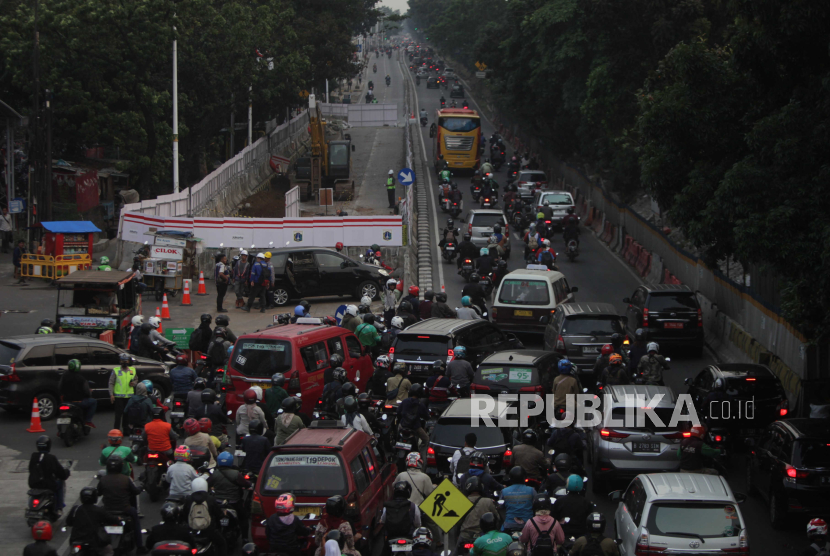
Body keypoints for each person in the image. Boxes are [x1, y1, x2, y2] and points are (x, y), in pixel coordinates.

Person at [98, 454, 145, 552]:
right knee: (136, 520)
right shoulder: (126, 479)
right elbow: (135, 491)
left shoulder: (103, 480)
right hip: (125, 509)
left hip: (107, 510)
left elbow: (98, 493)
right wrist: (140, 488)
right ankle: (140, 547)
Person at [208, 451, 252, 539]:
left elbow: (207, 484)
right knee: (243, 518)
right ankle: (245, 539)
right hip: (234, 502)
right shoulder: (236, 474)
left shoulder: (215, 474)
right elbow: (246, 484)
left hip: (218, 503)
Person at [66, 488, 120, 556]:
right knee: (109, 552)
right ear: (95, 498)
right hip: (94, 542)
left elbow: (68, 522)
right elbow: (111, 519)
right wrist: (118, 519)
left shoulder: (76, 509)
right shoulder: (99, 510)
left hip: (76, 540)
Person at [28, 436, 70, 515]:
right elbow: (61, 474)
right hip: (48, 485)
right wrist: (66, 472)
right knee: (60, 483)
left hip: (33, 484)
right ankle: (59, 507)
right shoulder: (51, 458)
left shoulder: (33, 456)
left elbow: (30, 469)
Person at [183, 477, 226, 553]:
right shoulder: (210, 499)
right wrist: (223, 514)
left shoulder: (189, 499)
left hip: (192, 531)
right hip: (209, 531)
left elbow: (184, 515)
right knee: (222, 544)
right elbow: (218, 514)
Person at [458, 477, 501, 547]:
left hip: (465, 535)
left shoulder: (462, 501)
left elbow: (457, 522)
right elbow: (497, 518)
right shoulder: (488, 501)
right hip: (483, 536)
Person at [552, 475, 595, 540]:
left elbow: (554, 518)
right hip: (582, 534)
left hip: (563, 533)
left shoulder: (560, 501)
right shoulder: (587, 502)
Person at [59, 358, 97, 427]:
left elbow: (59, 387)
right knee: (93, 402)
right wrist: (89, 392)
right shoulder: (81, 378)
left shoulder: (64, 376)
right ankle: (88, 421)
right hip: (78, 402)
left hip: (66, 401)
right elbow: (87, 392)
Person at [500, 467, 535, 533]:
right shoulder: (531, 490)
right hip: (528, 524)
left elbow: (501, 507)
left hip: (509, 524)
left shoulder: (504, 491)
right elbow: (536, 505)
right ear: (524, 477)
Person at [397, 385, 429, 455]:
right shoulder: (421, 404)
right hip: (415, 428)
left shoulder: (405, 401)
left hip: (402, 426)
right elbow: (426, 416)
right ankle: (422, 455)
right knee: (426, 440)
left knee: (396, 435)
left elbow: (398, 412)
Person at [109, 353, 137, 431]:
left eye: (126, 360)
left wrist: (134, 383)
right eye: (122, 360)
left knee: (127, 414)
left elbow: (136, 380)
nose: (124, 362)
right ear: (120, 361)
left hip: (129, 397)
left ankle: (126, 430)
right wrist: (111, 394)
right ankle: (116, 430)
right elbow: (111, 383)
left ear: (129, 361)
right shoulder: (116, 370)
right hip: (118, 397)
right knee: (118, 415)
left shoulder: (133, 370)